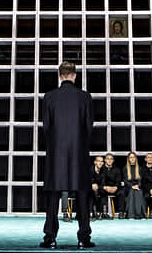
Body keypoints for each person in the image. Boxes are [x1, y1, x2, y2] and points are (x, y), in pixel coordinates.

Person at [41, 62, 94, 249]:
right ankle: (83, 238)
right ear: (75, 75)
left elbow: (46, 127)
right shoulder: (85, 97)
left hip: (56, 154)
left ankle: (50, 238)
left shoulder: (49, 97)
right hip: (79, 153)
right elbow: (89, 127)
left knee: (53, 197)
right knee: (82, 196)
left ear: (59, 75)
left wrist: (55, 145)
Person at [122, 152, 145, 219]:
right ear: (128, 159)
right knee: (132, 191)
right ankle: (131, 214)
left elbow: (141, 180)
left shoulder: (139, 168)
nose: (132, 159)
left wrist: (138, 186)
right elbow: (125, 180)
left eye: (133, 157)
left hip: (138, 186)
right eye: (130, 157)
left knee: (138, 192)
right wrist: (132, 186)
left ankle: (139, 214)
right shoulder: (125, 168)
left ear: (136, 158)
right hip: (128, 187)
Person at [101, 153, 123, 219]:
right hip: (105, 188)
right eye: (108, 159)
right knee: (101, 192)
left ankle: (121, 212)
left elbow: (119, 180)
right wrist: (105, 187)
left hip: (114, 188)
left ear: (113, 161)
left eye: (111, 159)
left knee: (122, 192)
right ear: (105, 160)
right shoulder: (101, 169)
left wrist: (115, 187)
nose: (109, 160)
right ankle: (104, 213)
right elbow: (101, 180)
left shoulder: (117, 169)